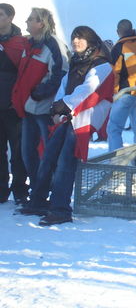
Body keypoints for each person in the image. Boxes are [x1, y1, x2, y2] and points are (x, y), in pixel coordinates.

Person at [22, 26, 113, 225]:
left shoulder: (102, 65)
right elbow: (65, 85)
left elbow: (89, 90)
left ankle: (60, 209)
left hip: (83, 119)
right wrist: (58, 106)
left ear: (90, 41)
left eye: (80, 38)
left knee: (65, 163)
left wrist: (63, 106)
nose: (76, 41)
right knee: (48, 157)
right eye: (74, 38)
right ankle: (38, 201)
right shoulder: (76, 62)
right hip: (67, 116)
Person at [12, 8, 68, 208]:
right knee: (28, 153)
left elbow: (61, 72)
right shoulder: (30, 43)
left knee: (47, 154)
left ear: (41, 23)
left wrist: (40, 93)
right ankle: (37, 194)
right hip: (29, 107)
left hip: (44, 108)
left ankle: (45, 195)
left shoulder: (52, 44)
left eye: (31, 19)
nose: (26, 21)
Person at [0, 3, 28, 204]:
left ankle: (20, 189)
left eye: (0, 15)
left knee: (18, 152)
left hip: (13, 107)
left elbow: (25, 74)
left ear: (10, 17)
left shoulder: (21, 43)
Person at [107, 19, 136, 152]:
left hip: (124, 92)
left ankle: (116, 164)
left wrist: (113, 93)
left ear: (118, 32)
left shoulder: (119, 47)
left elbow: (114, 72)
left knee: (114, 128)